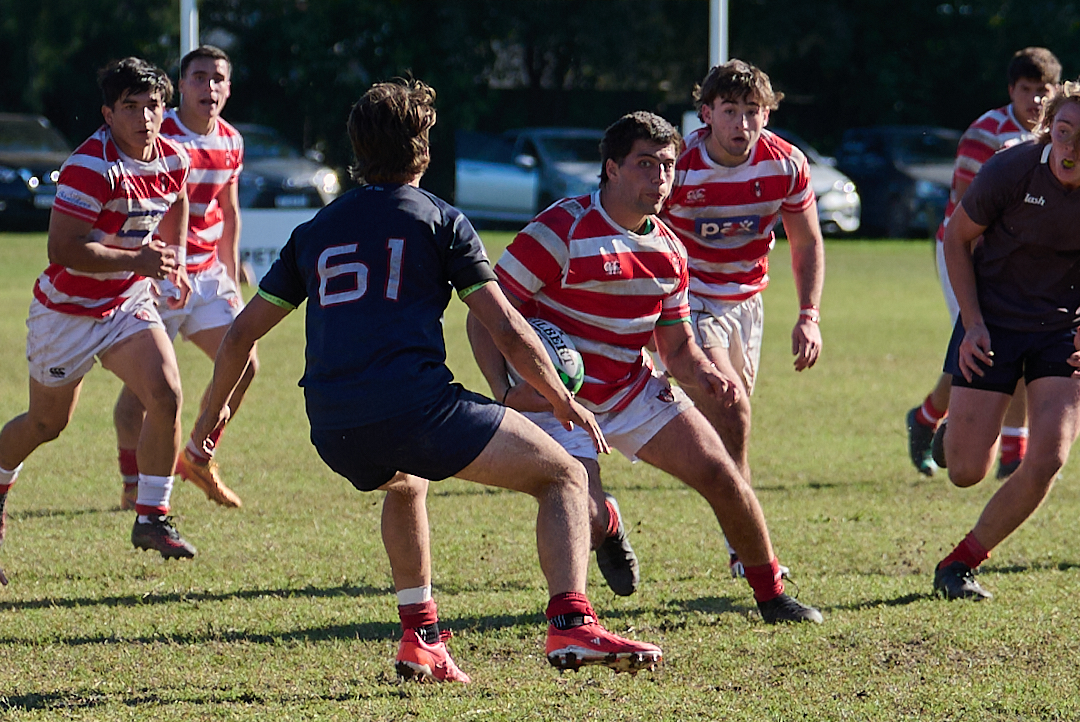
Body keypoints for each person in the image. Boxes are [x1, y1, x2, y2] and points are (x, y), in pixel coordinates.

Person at [189, 78, 663, 682]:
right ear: (424, 149)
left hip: (332, 426)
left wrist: (210, 420)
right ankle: (571, 624)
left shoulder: (317, 229)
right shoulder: (440, 219)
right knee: (564, 475)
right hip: (416, 408)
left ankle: (423, 640)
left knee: (405, 483)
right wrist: (561, 399)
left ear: (355, 151)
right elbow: (507, 327)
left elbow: (238, 335)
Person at [469, 110, 823, 624]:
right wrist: (505, 391)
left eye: (668, 166)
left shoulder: (671, 253)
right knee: (583, 518)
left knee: (722, 473)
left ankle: (771, 596)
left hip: (630, 389)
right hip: (556, 401)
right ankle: (608, 523)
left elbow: (676, 349)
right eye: (646, 164)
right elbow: (485, 315)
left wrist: (705, 375)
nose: (660, 179)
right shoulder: (561, 228)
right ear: (612, 168)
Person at [0, 57, 198, 568]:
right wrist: (142, 259)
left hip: (124, 303)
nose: (145, 118)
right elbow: (63, 250)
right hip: (67, 313)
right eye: (130, 107)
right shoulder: (90, 166)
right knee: (47, 424)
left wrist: (169, 263)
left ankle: (151, 514)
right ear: (107, 114)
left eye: (153, 106)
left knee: (166, 393)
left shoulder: (174, 158)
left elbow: (176, 200)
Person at [659, 59, 825, 577]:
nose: (742, 124)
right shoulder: (679, 166)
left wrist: (809, 315)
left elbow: (806, 241)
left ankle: (735, 524)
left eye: (753, 112)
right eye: (730, 111)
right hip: (686, 299)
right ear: (706, 114)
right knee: (733, 409)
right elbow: (642, 231)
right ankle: (746, 547)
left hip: (746, 304)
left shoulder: (786, 164)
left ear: (768, 115)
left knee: (731, 419)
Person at [931, 80, 1080, 601]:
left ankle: (961, 562)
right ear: (1048, 130)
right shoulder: (1011, 168)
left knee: (1049, 458)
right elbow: (957, 239)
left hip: (1062, 330)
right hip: (991, 321)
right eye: (1064, 133)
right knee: (967, 471)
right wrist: (971, 322)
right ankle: (955, 432)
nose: (1072, 147)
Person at [906, 47, 1062, 479]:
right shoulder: (987, 134)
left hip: (1026, 262)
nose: (1034, 100)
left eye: (1043, 91)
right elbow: (964, 216)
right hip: (971, 253)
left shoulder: (1062, 135)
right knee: (989, 348)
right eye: (1025, 90)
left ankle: (928, 417)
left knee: (987, 353)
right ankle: (1012, 453)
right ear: (1011, 90)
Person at [113, 45, 250, 511]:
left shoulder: (231, 140)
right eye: (198, 77)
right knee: (143, 394)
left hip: (208, 273)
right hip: (159, 274)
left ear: (228, 88)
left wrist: (231, 275)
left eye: (217, 78)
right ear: (181, 84)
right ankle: (133, 481)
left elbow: (227, 210)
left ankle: (196, 454)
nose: (208, 87)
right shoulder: (156, 130)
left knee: (244, 361)